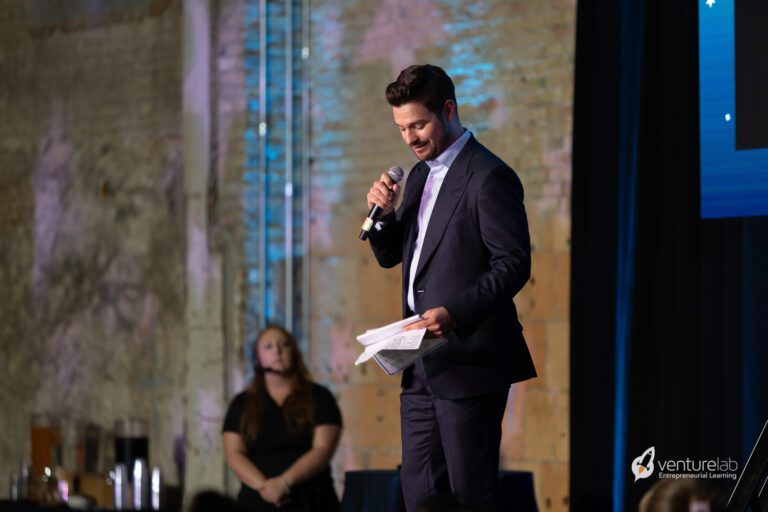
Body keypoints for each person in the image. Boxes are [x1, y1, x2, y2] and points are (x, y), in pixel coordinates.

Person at [365, 64, 536, 511]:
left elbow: (513, 264)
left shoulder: (488, 176)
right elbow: (391, 255)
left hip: (469, 363)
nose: (410, 139)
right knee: (419, 494)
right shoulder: (419, 175)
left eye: (418, 124)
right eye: (402, 129)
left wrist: (455, 313)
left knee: (468, 497)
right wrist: (381, 213)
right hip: (419, 364)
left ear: (449, 109)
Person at [222, 325, 342, 511]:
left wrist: (284, 482)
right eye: (268, 346)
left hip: (311, 500)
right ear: (257, 357)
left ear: (294, 351)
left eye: (284, 345)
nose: (277, 351)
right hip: (257, 501)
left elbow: (322, 449)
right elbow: (234, 453)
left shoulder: (320, 396)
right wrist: (264, 486)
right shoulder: (242, 403)